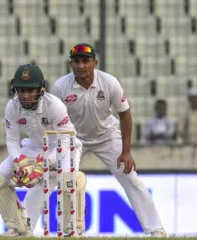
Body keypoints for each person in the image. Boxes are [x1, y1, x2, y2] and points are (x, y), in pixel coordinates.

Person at [50, 43, 166, 237]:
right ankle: (70, 230)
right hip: (73, 138)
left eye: (85, 61)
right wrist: (56, 150)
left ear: (95, 62)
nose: (81, 65)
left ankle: (155, 229)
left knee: (131, 178)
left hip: (107, 136)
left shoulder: (109, 82)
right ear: (71, 64)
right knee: (67, 180)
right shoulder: (61, 86)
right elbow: (52, 120)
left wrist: (126, 152)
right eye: (76, 61)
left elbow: (125, 115)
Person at [0, 64, 86, 237]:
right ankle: (19, 227)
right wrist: (20, 162)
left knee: (69, 181)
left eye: (30, 90)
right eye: (21, 90)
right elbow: (12, 139)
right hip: (34, 147)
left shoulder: (54, 105)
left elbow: (65, 137)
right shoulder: (13, 107)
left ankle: (72, 229)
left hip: (63, 148)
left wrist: (44, 164)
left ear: (40, 90)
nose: (25, 95)